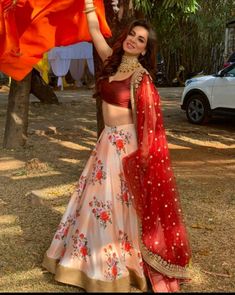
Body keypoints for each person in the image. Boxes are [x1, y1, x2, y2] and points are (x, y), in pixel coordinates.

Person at [42, 0, 192, 292]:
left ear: (146, 49)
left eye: (141, 40)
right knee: (95, 202)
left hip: (126, 146)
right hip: (106, 142)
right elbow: (95, 32)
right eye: (132, 35)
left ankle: (120, 264)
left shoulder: (142, 79)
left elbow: (149, 126)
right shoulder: (111, 56)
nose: (134, 42)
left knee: (114, 203)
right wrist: (88, 5)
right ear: (125, 38)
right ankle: (84, 263)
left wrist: (143, 157)